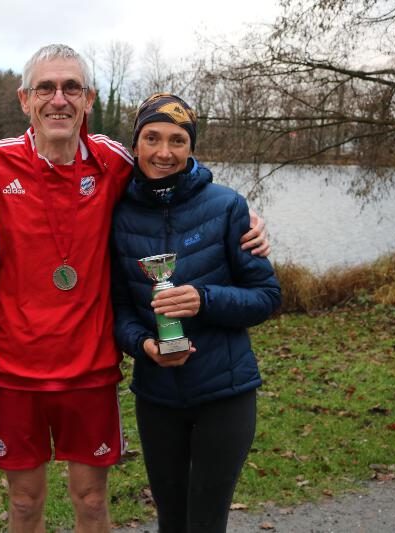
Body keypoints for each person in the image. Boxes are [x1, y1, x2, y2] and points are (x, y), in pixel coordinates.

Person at [0, 44, 270, 532]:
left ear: (88, 99)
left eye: (71, 87)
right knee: (24, 503)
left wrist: (243, 214)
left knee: (92, 501)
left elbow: (169, 177)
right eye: (46, 88)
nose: (59, 99)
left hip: (90, 368)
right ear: (25, 99)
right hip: (15, 370)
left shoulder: (113, 160)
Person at [110, 93, 282, 533]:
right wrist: (144, 345)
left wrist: (203, 298)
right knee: (171, 520)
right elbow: (119, 309)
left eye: (178, 140)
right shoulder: (116, 214)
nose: (164, 152)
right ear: (135, 143)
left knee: (206, 522)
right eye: (152, 138)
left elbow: (266, 297)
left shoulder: (227, 206)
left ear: (191, 147)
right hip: (156, 396)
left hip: (224, 392)